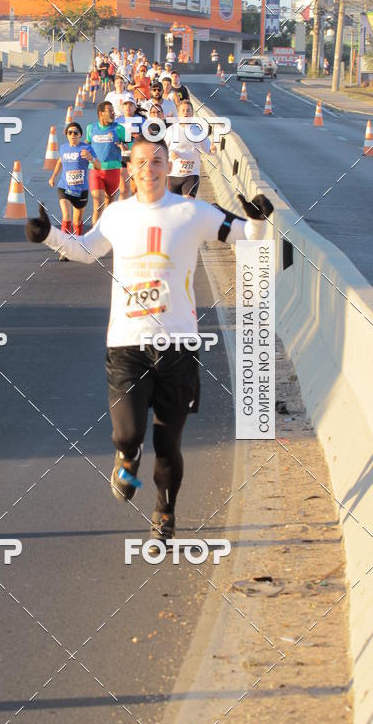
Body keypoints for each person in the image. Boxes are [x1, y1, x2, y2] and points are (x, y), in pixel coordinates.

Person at [25, 138, 273, 550]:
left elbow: (247, 235)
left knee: (167, 444)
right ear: (131, 169)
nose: (150, 168)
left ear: (167, 165)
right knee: (128, 433)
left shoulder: (192, 212)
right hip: (127, 344)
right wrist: (48, 234)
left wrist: (260, 219)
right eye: (142, 162)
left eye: (158, 161)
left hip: (178, 346)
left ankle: (164, 511)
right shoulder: (118, 214)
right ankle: (126, 458)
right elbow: (86, 250)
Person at [48, 122, 100, 245]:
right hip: (64, 187)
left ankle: (77, 244)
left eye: (75, 132)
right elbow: (60, 161)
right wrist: (53, 176)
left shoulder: (87, 148)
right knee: (66, 217)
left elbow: (99, 166)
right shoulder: (63, 148)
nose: (72, 135)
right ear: (66, 135)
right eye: (69, 132)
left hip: (81, 190)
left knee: (77, 221)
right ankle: (64, 247)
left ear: (80, 135)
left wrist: (90, 158)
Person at [85, 100, 128, 223]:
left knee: (109, 202)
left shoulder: (119, 128)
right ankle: (94, 238)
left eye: (113, 110)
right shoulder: (90, 128)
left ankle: (107, 232)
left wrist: (124, 145)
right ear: (101, 113)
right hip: (95, 170)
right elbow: (86, 146)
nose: (113, 113)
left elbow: (131, 144)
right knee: (97, 204)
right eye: (110, 111)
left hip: (113, 170)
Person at [164, 100, 212, 198]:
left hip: (192, 174)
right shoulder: (171, 130)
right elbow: (162, 150)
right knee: (174, 207)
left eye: (188, 110)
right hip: (173, 175)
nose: (186, 113)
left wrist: (213, 149)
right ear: (178, 113)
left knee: (187, 204)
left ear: (192, 113)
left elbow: (209, 150)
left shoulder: (198, 131)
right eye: (183, 110)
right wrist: (170, 153)